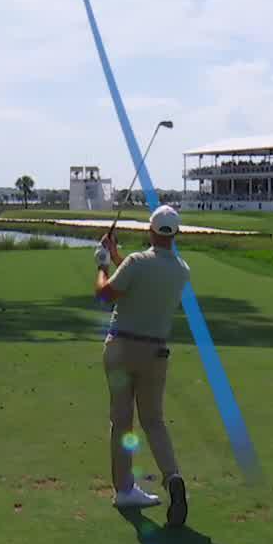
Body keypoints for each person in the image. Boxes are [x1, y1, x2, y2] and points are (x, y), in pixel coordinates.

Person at [94, 203, 191, 526]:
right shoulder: (181, 270)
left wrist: (102, 264)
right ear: (175, 233)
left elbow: (106, 294)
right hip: (155, 354)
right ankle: (172, 476)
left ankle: (124, 490)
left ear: (150, 230)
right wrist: (116, 255)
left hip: (121, 349)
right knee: (154, 421)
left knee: (122, 422)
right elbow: (139, 282)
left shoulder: (136, 262)